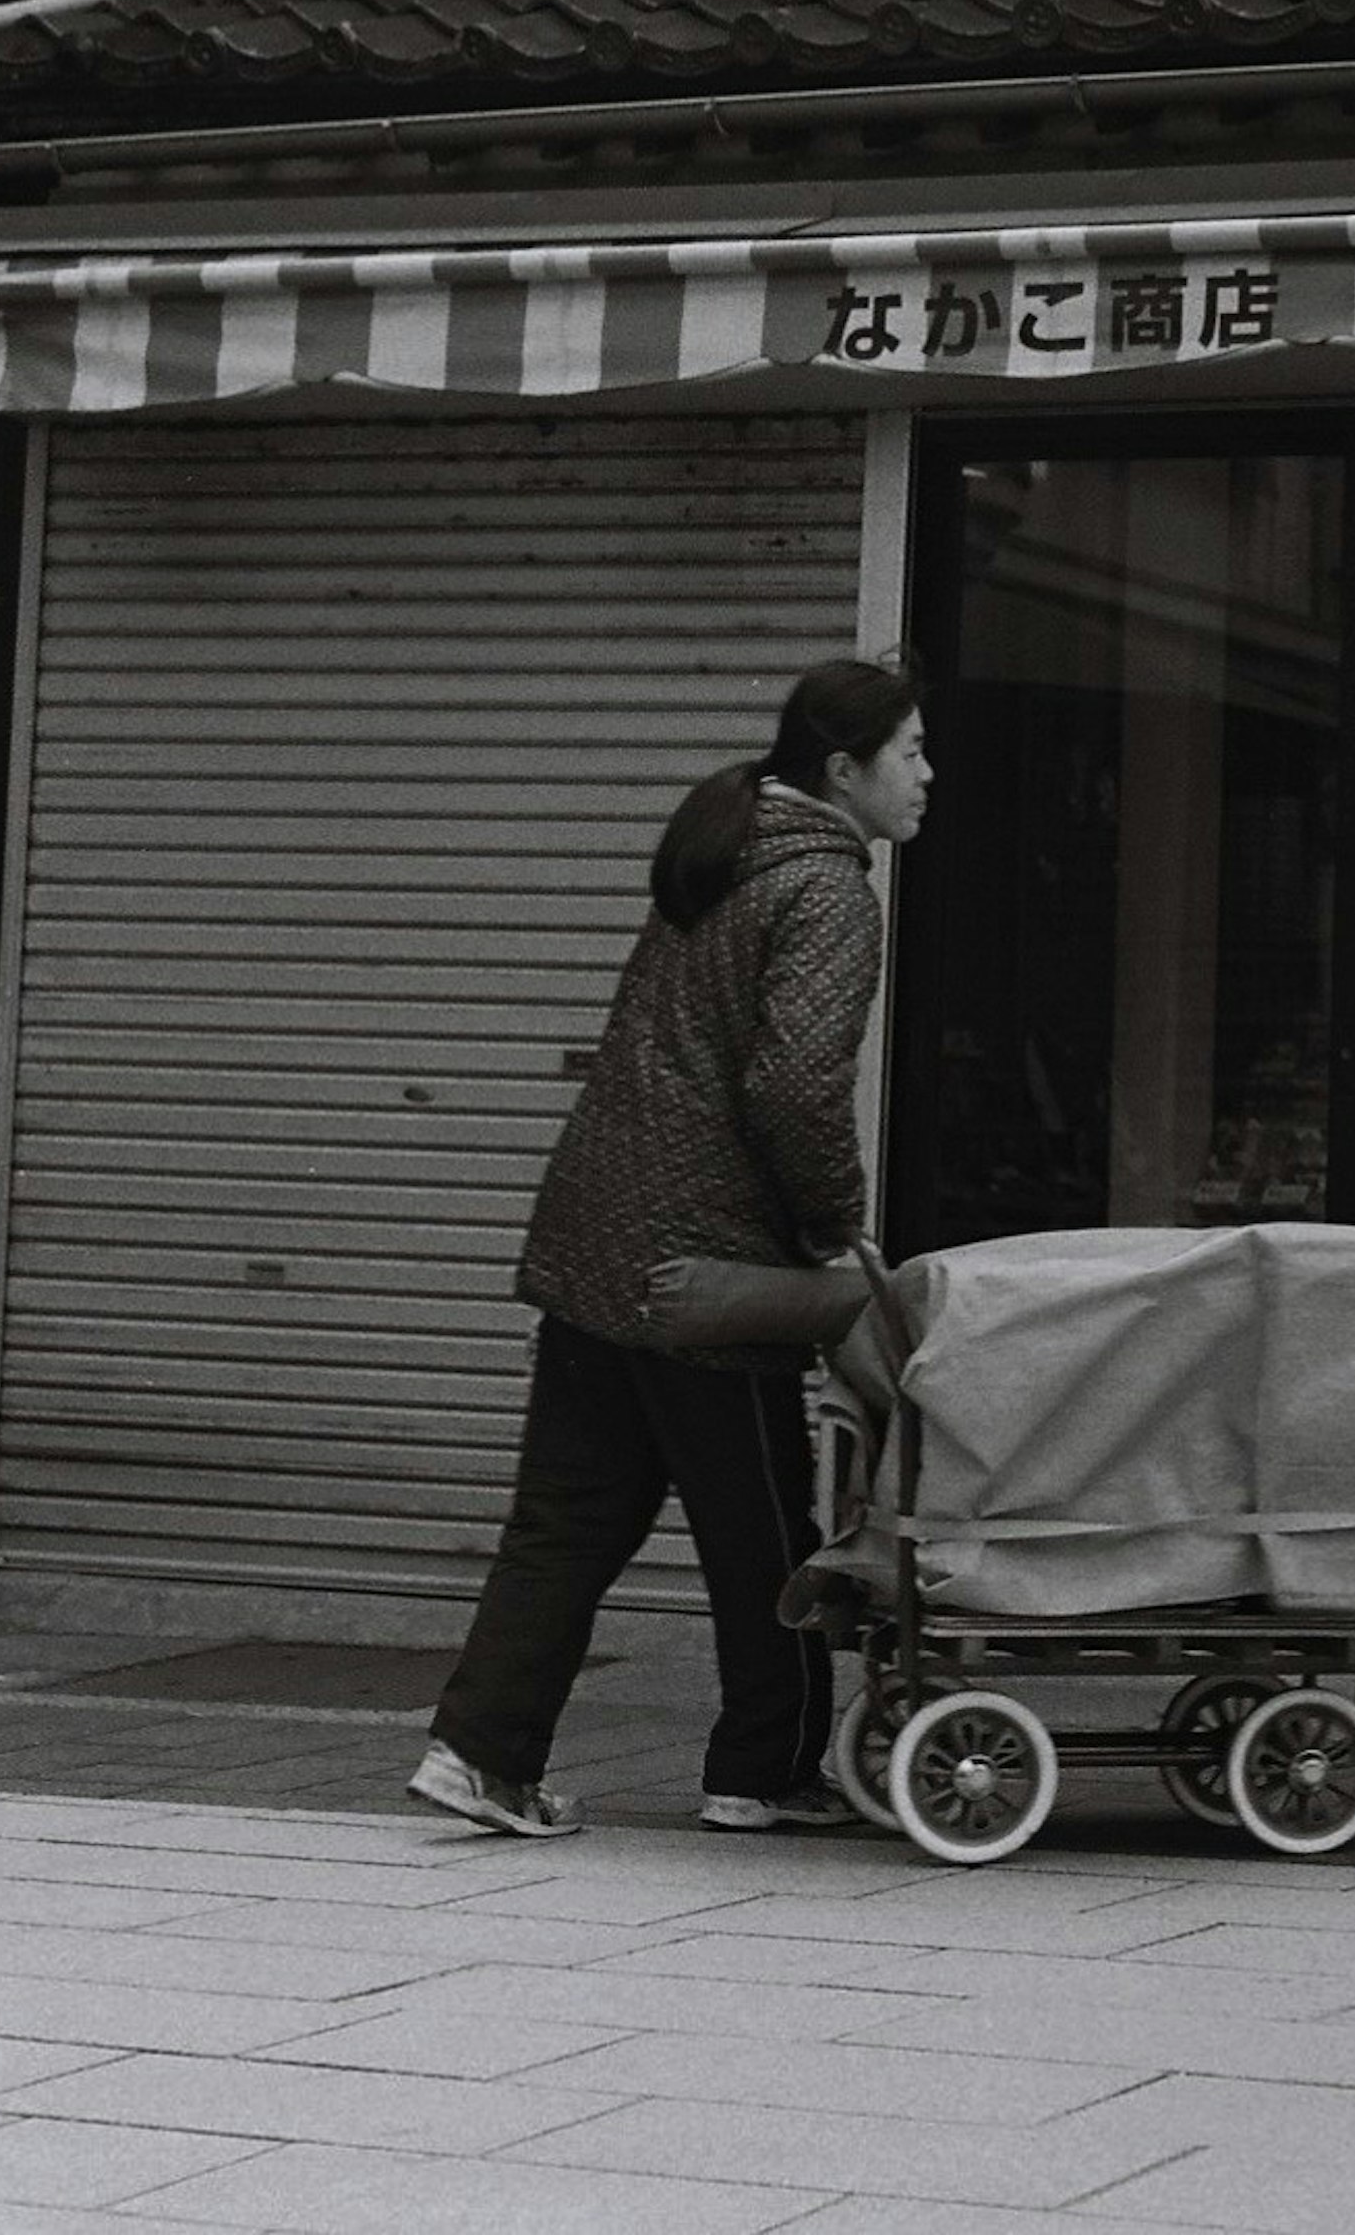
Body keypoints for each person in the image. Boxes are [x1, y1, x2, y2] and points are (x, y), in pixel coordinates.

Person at [409, 656, 934, 1840]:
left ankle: (480, 1753)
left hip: (596, 1242)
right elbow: (797, 1092)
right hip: (709, 1272)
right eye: (911, 753)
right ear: (845, 772)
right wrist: (830, 1236)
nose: (927, 777)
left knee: (565, 1521)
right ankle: (767, 1769)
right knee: (765, 1539)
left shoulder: (723, 853)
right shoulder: (827, 889)